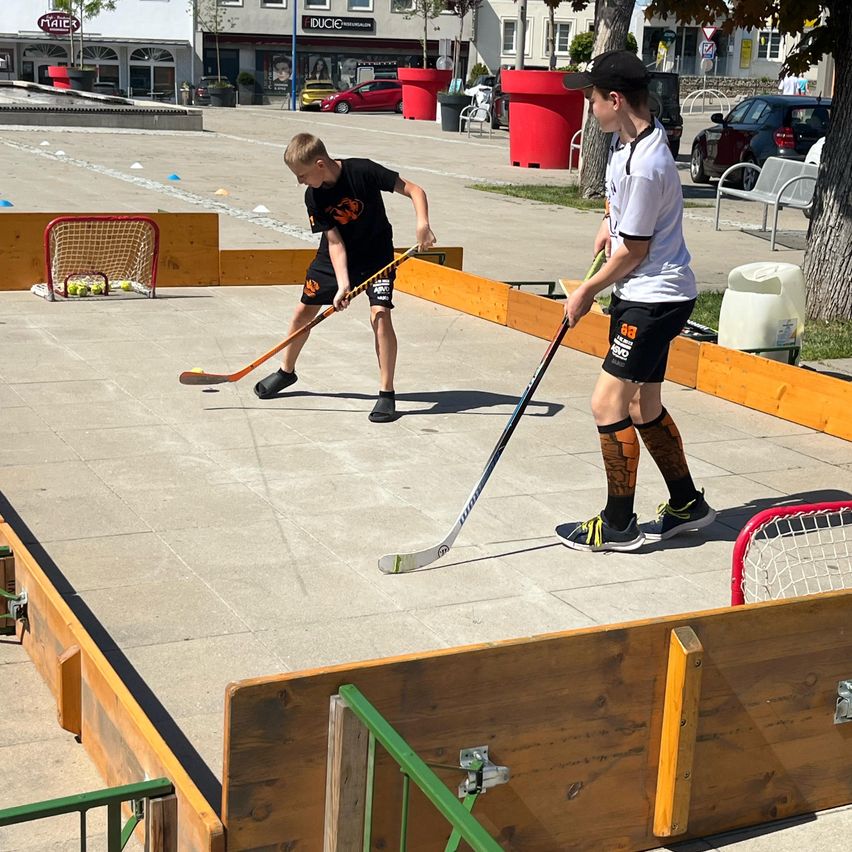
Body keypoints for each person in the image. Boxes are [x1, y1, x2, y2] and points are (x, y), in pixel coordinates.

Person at [557, 50, 715, 552]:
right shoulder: (626, 145)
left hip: (654, 298)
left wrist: (586, 290)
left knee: (607, 402)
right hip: (643, 293)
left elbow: (637, 250)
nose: (590, 108)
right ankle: (688, 504)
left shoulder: (649, 162)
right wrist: (609, 220)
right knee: (645, 404)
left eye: (593, 99)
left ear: (616, 99)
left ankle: (619, 524)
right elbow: (621, 210)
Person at [253, 133, 436, 423]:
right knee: (303, 311)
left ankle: (386, 393)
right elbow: (335, 242)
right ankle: (286, 372)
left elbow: (415, 190)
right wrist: (343, 285)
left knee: (380, 315)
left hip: (377, 255)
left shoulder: (363, 171)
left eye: (302, 175)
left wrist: (422, 224)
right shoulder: (313, 196)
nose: (300, 181)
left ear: (320, 164)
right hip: (334, 258)